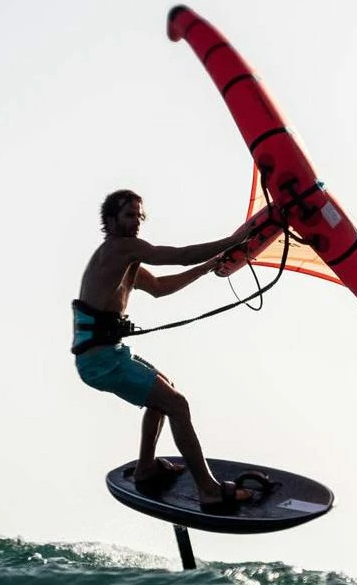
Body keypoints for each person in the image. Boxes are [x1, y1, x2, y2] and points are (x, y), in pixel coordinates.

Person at [73, 189, 256, 512]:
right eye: (129, 215)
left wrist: (207, 267)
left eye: (140, 216)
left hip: (110, 354)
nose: (136, 222)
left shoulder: (126, 258)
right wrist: (234, 240)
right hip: (101, 360)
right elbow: (180, 255)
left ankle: (146, 467)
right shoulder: (119, 248)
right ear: (110, 220)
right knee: (177, 404)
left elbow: (159, 288)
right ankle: (209, 490)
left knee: (165, 390)